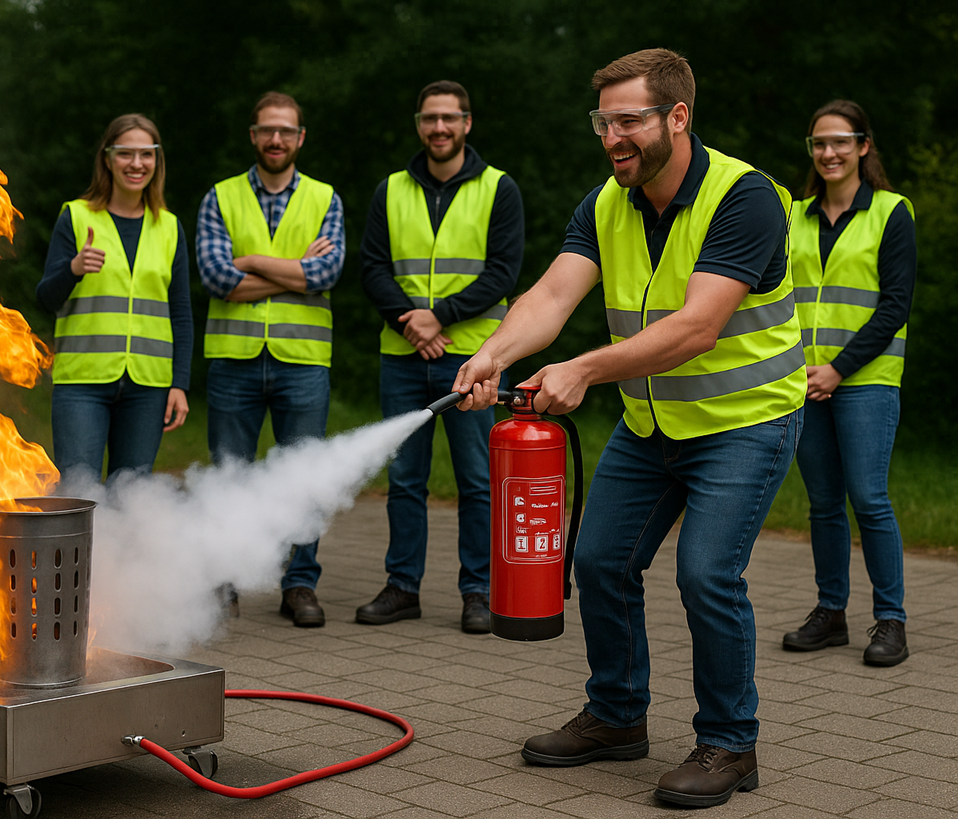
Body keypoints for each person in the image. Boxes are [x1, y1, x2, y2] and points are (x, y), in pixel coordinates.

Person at [453, 49, 805, 808]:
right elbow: (551, 294)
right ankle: (617, 716)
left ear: (677, 117)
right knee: (600, 560)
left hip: (743, 422)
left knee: (707, 573)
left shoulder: (745, 198)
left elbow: (698, 327)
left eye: (629, 120)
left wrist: (580, 370)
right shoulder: (607, 202)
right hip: (652, 425)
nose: (612, 136)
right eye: (602, 121)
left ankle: (730, 743)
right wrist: (494, 352)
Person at [358, 80, 524, 634]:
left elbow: (503, 271)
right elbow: (373, 268)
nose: (439, 128)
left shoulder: (500, 188)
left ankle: (477, 592)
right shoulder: (390, 189)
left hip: (475, 357)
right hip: (404, 354)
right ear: (418, 123)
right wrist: (412, 323)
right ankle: (403, 586)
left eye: (449, 118)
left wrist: (440, 317)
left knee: (477, 479)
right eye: (430, 119)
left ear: (467, 123)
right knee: (405, 479)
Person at [196, 91, 344, 628]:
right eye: (266, 130)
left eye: (286, 131)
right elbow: (216, 278)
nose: (276, 139)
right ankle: (224, 581)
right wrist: (292, 271)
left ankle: (299, 585)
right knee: (228, 477)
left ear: (300, 138)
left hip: (302, 362)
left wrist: (253, 262)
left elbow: (324, 276)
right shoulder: (220, 196)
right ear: (253, 136)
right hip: (233, 360)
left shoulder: (326, 198)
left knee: (303, 478)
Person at [780, 101, 916, 667]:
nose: (828, 153)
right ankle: (831, 613)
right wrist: (803, 371)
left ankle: (892, 621)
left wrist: (839, 369)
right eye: (819, 143)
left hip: (866, 380)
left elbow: (893, 307)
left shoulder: (891, 212)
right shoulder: (794, 214)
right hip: (804, 383)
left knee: (869, 498)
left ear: (863, 146)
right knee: (822, 504)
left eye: (840, 142)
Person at [37, 113, 192, 483]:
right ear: (107, 159)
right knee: (80, 495)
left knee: (133, 498)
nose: (136, 164)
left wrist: (179, 384)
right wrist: (72, 269)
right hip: (82, 384)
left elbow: (181, 313)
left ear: (157, 160)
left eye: (146, 154)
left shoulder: (169, 227)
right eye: (126, 154)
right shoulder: (75, 217)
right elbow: (46, 298)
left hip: (148, 387)